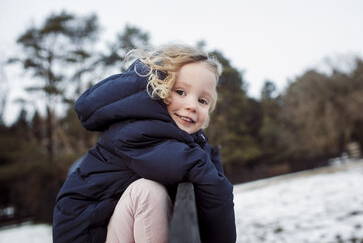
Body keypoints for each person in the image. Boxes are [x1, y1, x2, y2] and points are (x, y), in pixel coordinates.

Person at [53, 44, 236, 243]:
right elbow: (198, 170)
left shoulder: (176, 137)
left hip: (112, 228)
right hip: (89, 236)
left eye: (202, 100)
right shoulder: (134, 130)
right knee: (146, 191)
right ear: (158, 89)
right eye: (181, 92)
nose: (192, 105)